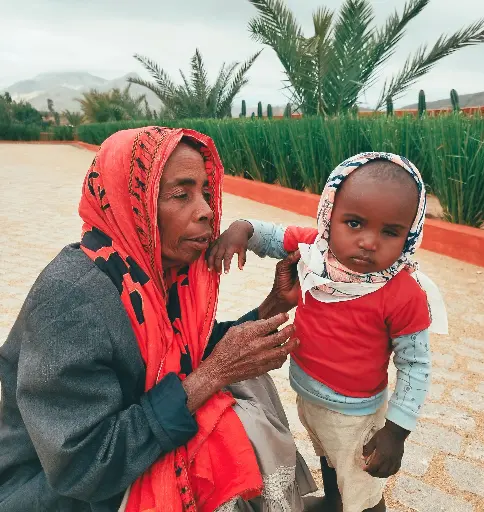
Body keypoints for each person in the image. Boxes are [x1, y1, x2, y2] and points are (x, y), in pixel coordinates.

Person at [0, 126, 317, 512]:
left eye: (205, 192)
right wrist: (213, 373)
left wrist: (272, 307)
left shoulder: (151, 275)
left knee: (243, 387)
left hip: (108, 466)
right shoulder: (72, 300)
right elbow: (84, 467)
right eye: (181, 195)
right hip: (55, 493)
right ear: (132, 204)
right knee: (225, 422)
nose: (206, 211)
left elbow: (183, 352)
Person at [208, 152, 448, 512]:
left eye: (390, 232)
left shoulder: (403, 293)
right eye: (354, 223)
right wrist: (242, 228)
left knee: (363, 488)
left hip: (356, 414)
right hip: (308, 394)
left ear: (410, 235)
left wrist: (396, 431)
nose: (369, 241)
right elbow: (273, 237)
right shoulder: (317, 250)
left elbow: (416, 366)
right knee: (328, 456)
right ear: (328, 215)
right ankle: (334, 502)